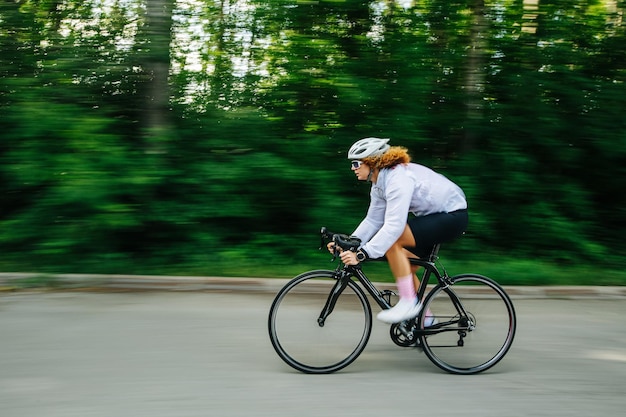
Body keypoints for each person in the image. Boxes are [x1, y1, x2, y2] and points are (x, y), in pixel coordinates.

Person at [329, 137, 468, 324]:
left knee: (394, 242)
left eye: (356, 163)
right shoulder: (379, 184)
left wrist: (362, 254)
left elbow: (394, 226)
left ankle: (409, 303)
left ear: (371, 162)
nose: (352, 168)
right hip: (433, 217)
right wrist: (351, 243)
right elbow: (372, 220)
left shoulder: (398, 178)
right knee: (405, 267)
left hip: (453, 215)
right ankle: (425, 320)